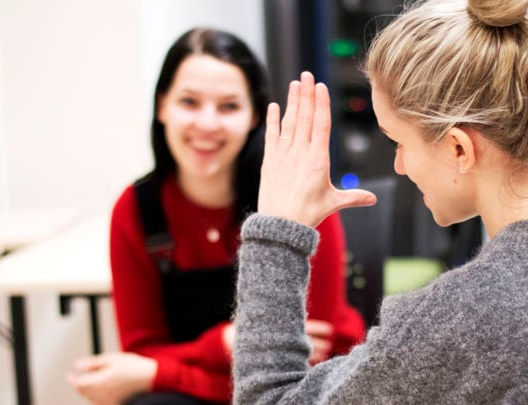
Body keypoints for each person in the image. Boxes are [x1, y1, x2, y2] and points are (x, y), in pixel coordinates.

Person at [232, 0, 528, 403]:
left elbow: (269, 400)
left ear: (459, 149)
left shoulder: (456, 323)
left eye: (399, 142)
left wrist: (277, 231)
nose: (398, 166)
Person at [65, 27, 365, 405]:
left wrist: (163, 372)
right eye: (189, 102)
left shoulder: (294, 198)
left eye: (228, 106)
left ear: (254, 116)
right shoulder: (137, 209)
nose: (207, 124)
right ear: (162, 106)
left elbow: (307, 359)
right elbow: (142, 352)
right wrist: (222, 343)